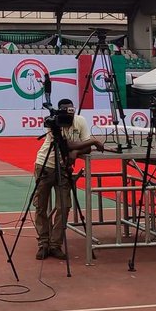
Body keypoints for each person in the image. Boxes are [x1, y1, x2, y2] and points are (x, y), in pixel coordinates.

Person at [32, 99, 106, 260]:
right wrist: (92, 141)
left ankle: (55, 244)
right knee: (41, 206)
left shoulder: (80, 121)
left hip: (63, 169)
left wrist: (75, 153)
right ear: (60, 111)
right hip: (45, 165)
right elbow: (66, 145)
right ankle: (43, 244)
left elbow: (82, 146)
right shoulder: (53, 122)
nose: (69, 118)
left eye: (71, 114)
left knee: (64, 206)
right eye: (66, 114)